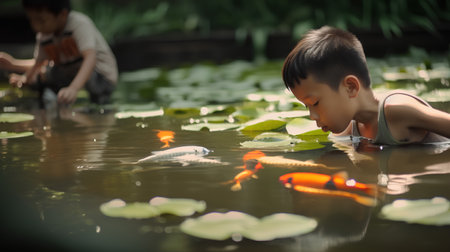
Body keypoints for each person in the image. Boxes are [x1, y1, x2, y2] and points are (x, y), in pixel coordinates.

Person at [282, 26, 450, 145]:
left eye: (315, 103)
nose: (312, 116)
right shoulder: (351, 129)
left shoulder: (397, 110)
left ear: (350, 87)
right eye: (307, 107)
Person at [0, 0, 118, 106]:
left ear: (62, 15)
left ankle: (98, 104)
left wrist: (73, 89)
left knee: (89, 79)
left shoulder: (79, 24)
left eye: (41, 20)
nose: (35, 26)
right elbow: (38, 64)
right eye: (32, 20)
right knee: (44, 74)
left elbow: (90, 59)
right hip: (71, 72)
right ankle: (52, 100)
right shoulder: (44, 35)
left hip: (100, 76)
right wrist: (17, 69)